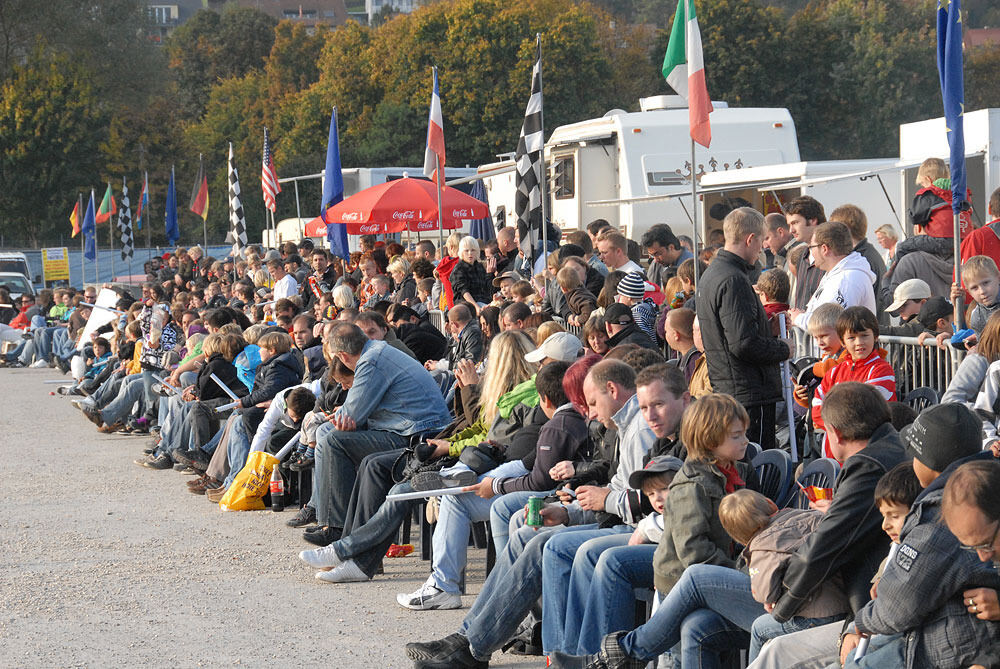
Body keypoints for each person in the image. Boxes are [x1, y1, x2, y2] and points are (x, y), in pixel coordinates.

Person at [550, 382, 907, 669]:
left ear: (837, 433)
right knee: (696, 625)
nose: (744, 442)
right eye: (736, 436)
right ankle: (619, 655)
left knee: (693, 579)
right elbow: (698, 547)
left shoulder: (866, 467)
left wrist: (780, 597)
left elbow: (826, 545)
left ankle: (624, 653)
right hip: (778, 580)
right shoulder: (877, 458)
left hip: (825, 601)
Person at [834, 403, 999, 669]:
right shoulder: (978, 485)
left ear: (930, 462)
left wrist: (858, 624)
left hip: (952, 649)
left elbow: (899, 606)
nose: (982, 555)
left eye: (985, 544)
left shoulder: (942, 515)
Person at [308, 323, 452, 544]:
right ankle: (332, 521)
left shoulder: (370, 362)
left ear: (343, 356)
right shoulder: (378, 350)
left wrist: (346, 416)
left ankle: (336, 526)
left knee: (333, 441)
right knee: (329, 434)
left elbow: (351, 416)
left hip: (417, 434)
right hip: (414, 428)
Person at [696, 206, 790, 449]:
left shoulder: (712, 274)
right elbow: (743, 344)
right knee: (755, 465)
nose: (762, 248)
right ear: (750, 239)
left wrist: (766, 329)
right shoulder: (733, 279)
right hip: (747, 393)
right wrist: (783, 348)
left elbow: (730, 333)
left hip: (732, 388)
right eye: (761, 241)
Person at [718, 488, 849, 660]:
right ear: (770, 504)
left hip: (815, 618)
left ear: (738, 537)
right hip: (844, 603)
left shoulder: (762, 548)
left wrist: (767, 598)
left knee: (759, 628)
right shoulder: (807, 515)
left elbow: (765, 593)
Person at [811, 307, 895, 458]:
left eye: (864, 336)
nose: (859, 343)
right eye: (852, 338)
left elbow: (866, 413)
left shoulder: (882, 370)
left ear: (875, 336)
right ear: (842, 341)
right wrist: (836, 427)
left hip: (869, 453)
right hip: (832, 452)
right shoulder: (835, 371)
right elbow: (817, 404)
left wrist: (835, 426)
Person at [789, 221, 875, 331]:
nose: (810, 252)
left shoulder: (847, 279)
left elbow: (830, 323)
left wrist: (798, 318)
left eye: (811, 247)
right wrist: (805, 315)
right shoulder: (837, 274)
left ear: (824, 249)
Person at [786, 195, 827, 311]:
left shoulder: (833, 256)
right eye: (789, 224)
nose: (791, 230)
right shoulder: (802, 257)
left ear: (813, 220)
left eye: (795, 223)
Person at [450, 237, 492, 310]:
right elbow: (464, 291)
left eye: (473, 250)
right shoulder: (458, 269)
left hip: (483, 303)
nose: (470, 253)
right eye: (466, 250)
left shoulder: (479, 267)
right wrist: (476, 307)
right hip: (465, 307)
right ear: (461, 252)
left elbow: (486, 288)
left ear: (477, 251)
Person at [615, 272, 658, 342]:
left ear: (629, 297)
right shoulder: (646, 307)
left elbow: (642, 337)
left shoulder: (637, 313)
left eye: (621, 295)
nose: (619, 299)